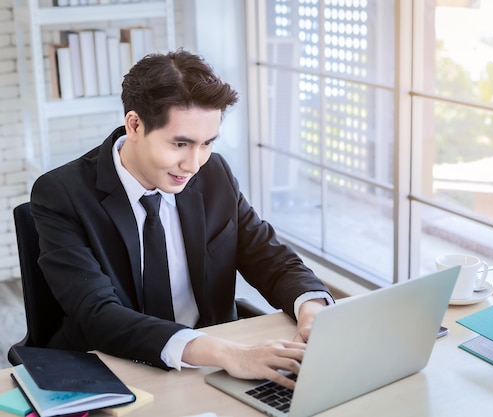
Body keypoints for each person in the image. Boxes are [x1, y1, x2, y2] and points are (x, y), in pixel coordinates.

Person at [30, 49, 333, 390]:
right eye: (180, 143)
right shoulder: (62, 194)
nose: (193, 163)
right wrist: (227, 354)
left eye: (207, 144)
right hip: (115, 369)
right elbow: (98, 314)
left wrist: (312, 307)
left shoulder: (213, 173)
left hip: (208, 368)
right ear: (134, 125)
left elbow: (270, 258)